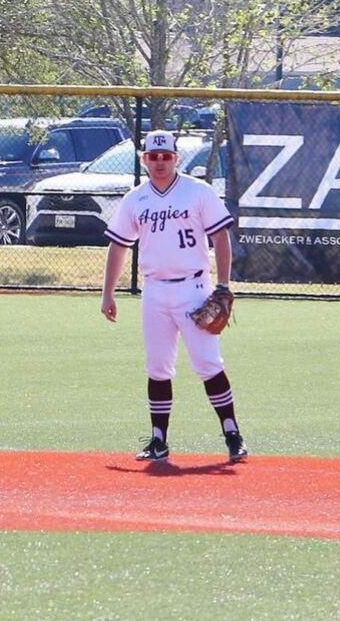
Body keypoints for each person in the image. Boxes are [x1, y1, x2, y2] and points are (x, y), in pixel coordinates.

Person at [99, 129, 248, 463]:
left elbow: (221, 237)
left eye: (166, 156)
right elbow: (118, 245)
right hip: (154, 291)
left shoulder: (197, 192)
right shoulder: (136, 199)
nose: (160, 162)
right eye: (154, 156)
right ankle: (158, 440)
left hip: (194, 289)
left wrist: (222, 285)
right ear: (144, 160)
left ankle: (232, 434)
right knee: (157, 367)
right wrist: (107, 293)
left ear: (176, 158)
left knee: (208, 364)